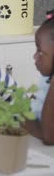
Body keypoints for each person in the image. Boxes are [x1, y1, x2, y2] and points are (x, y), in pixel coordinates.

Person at [24, 10, 54, 144]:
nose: (35, 56)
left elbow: (49, 136)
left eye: (40, 51)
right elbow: (31, 110)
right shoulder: (45, 80)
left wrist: (22, 121)